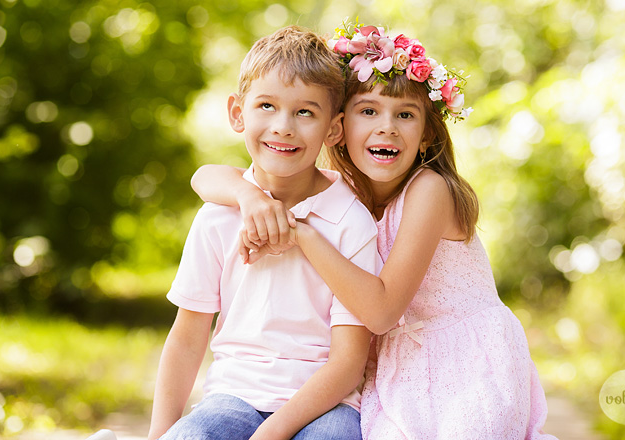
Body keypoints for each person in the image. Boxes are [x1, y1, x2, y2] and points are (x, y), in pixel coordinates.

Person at [192, 23, 557, 439]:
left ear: (426, 136)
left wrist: (304, 234)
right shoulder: (347, 193)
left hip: (465, 362)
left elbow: (382, 312)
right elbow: (205, 178)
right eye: (369, 111)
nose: (387, 127)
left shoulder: (429, 190)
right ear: (339, 128)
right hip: (399, 367)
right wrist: (248, 196)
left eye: (405, 115)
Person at [146, 25, 382, 440]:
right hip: (233, 396)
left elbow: (348, 363)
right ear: (238, 113)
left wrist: (270, 434)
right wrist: (161, 434)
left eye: (305, 112)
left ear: (334, 129)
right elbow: (187, 339)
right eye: (267, 106)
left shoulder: (350, 219)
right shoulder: (218, 216)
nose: (284, 126)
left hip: (327, 405)